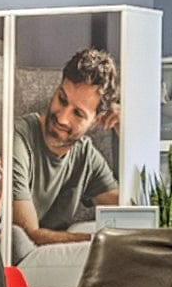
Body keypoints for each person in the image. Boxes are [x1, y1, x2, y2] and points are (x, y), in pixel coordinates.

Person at [12, 46, 121, 251]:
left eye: (78, 114)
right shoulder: (18, 137)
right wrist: (100, 241)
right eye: (62, 99)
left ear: (96, 122)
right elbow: (28, 234)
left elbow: (131, 212)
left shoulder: (85, 155)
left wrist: (128, 135)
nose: (62, 117)